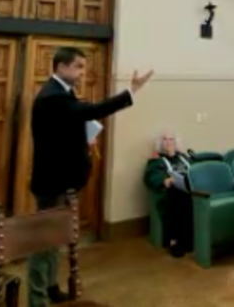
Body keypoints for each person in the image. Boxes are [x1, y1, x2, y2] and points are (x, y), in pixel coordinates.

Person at [29, 47, 154, 307]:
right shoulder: (52, 96)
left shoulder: (63, 93)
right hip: (53, 183)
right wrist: (131, 92)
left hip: (63, 180)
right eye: (78, 67)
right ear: (61, 67)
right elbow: (89, 111)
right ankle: (37, 299)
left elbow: (66, 127)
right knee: (43, 243)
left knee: (54, 240)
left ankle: (50, 288)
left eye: (83, 67)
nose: (82, 73)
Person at [143, 130, 193, 258]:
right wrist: (165, 180)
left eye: (172, 139)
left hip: (190, 189)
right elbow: (150, 177)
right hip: (170, 193)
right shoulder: (156, 160)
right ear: (160, 143)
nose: (169, 142)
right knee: (179, 197)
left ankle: (190, 239)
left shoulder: (184, 157)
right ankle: (175, 241)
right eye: (165, 139)